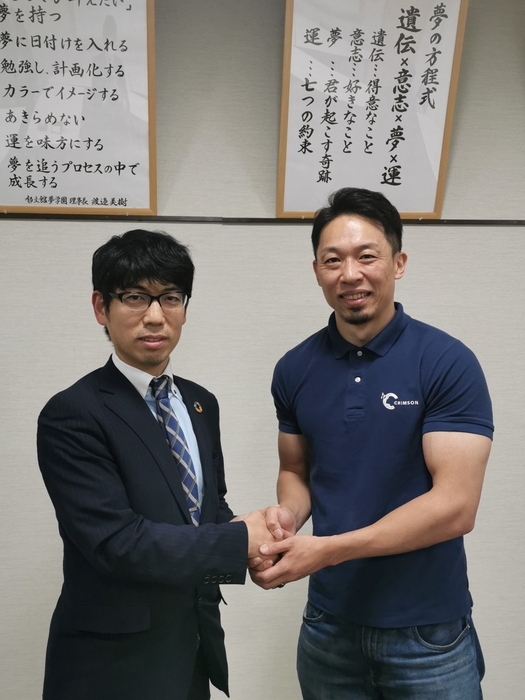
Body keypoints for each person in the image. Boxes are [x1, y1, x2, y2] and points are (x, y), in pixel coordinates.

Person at [251, 188, 493, 699]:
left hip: (428, 633)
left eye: (367, 256)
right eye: (332, 260)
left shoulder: (446, 362)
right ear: (316, 271)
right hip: (327, 627)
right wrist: (286, 519)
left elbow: (456, 506)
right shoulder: (294, 368)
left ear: (398, 263)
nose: (350, 274)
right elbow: (296, 471)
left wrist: (327, 551)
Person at [37, 229, 275, 700]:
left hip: (191, 651)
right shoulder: (73, 413)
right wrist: (238, 541)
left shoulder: (201, 403)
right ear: (101, 307)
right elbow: (117, 543)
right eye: (134, 297)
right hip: (110, 666)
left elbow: (205, 509)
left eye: (170, 297)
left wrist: (259, 540)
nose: (154, 315)